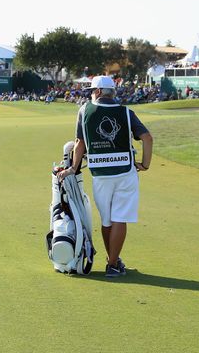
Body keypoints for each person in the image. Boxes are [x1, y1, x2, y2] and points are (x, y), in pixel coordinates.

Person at [57, 75, 153, 278]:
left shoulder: (85, 110)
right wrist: (145, 164)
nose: (91, 94)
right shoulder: (126, 112)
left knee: (107, 220)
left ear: (98, 92)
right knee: (120, 218)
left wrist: (73, 168)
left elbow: (79, 143)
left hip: (100, 174)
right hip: (125, 172)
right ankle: (113, 264)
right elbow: (147, 138)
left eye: (92, 91)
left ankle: (113, 262)